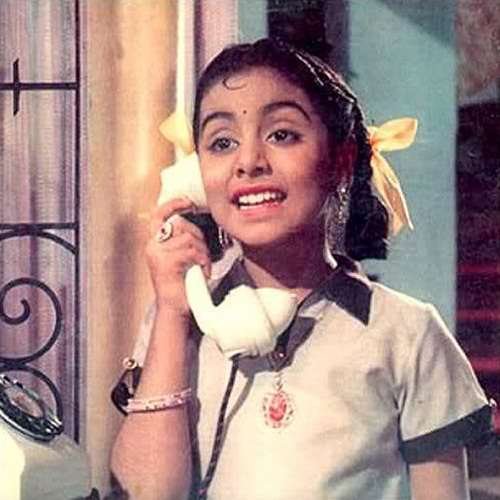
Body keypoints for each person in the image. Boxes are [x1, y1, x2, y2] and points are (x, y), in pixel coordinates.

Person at [110, 38, 494, 500]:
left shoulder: (408, 333)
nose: (248, 162)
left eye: (282, 135)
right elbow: (147, 493)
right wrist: (174, 315)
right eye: (222, 143)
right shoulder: (175, 320)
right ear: (197, 175)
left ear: (340, 161)